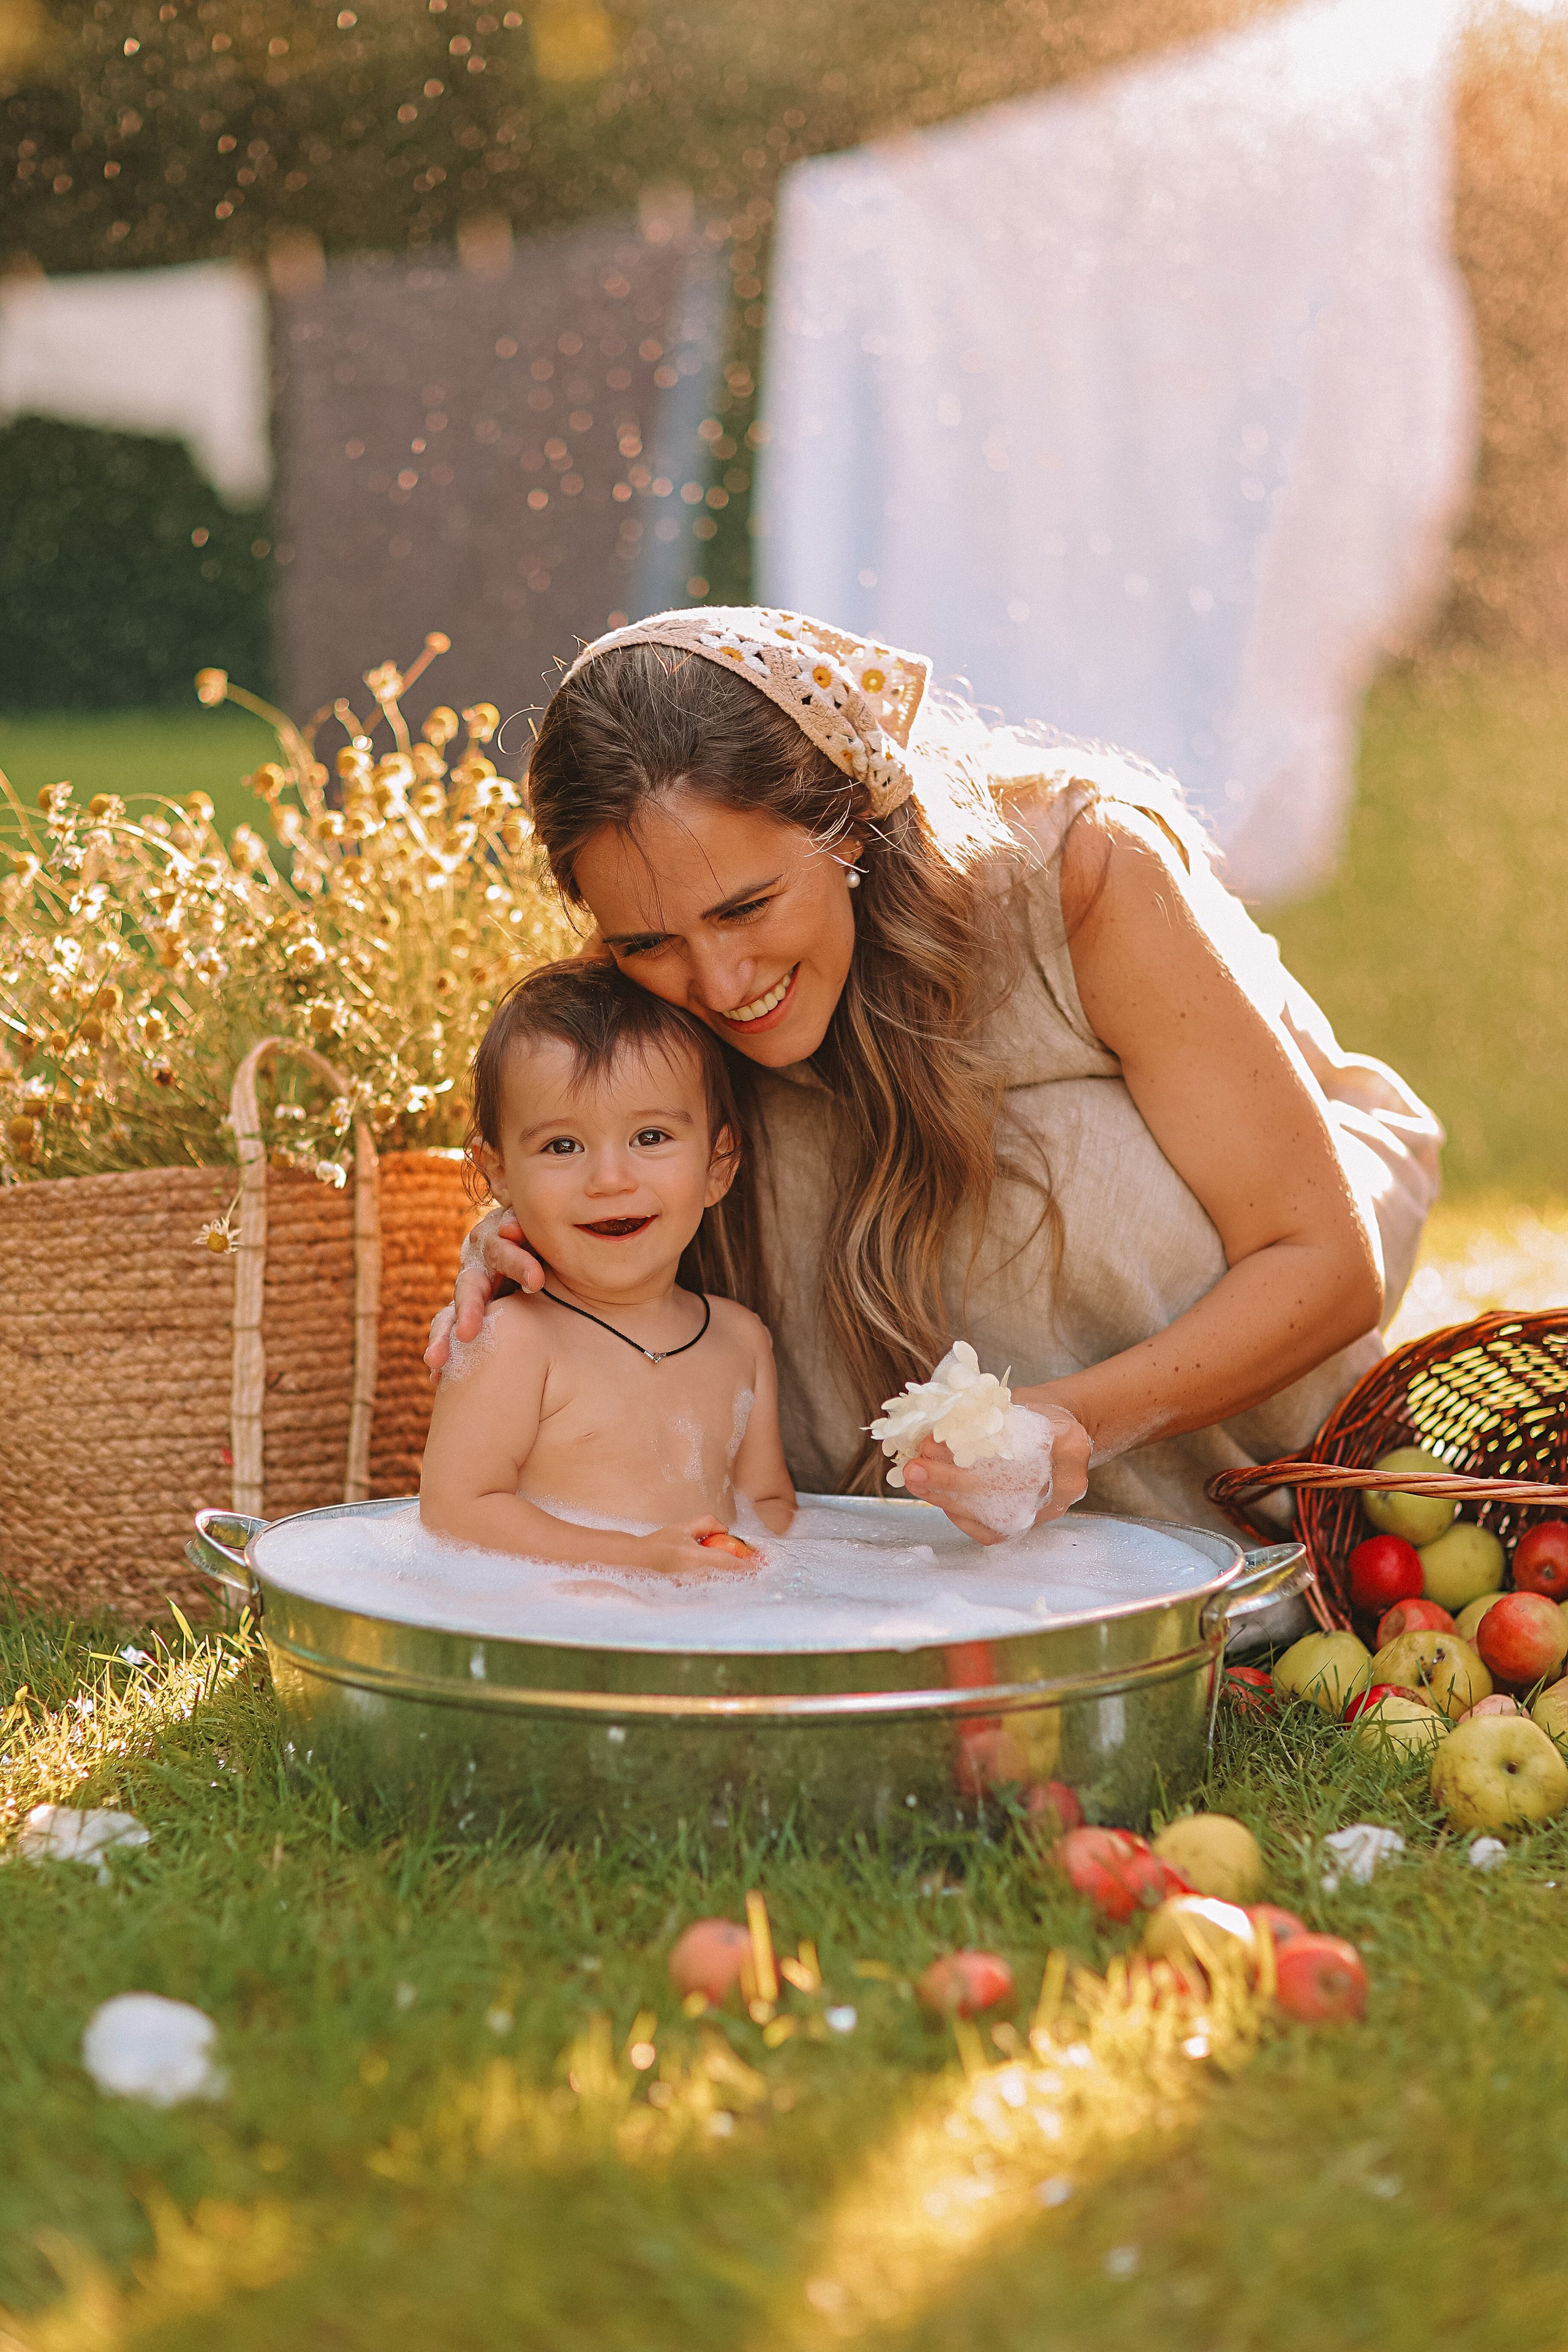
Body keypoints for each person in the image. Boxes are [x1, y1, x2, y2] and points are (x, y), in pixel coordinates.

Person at [425, 606, 1441, 1545]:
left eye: (747, 908)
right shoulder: (651, 1000)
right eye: (649, 939)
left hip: (1255, 1362)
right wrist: (551, 1245)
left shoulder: (1077, 870)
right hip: (908, 1524)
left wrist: (1070, 1419)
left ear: (850, 824)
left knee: (1037, 1179)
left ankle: (1210, 1544)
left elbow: (1324, 1257)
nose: (721, 983)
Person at [420, 959, 795, 1572]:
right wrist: (631, 1558)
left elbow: (769, 1503)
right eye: (562, 1146)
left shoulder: (740, 1338)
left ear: (717, 1166)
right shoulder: (512, 1340)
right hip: (563, 1628)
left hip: (708, 1631)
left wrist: (770, 1568)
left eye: (650, 1137)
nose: (611, 1180)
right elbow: (455, 1510)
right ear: (499, 1173)